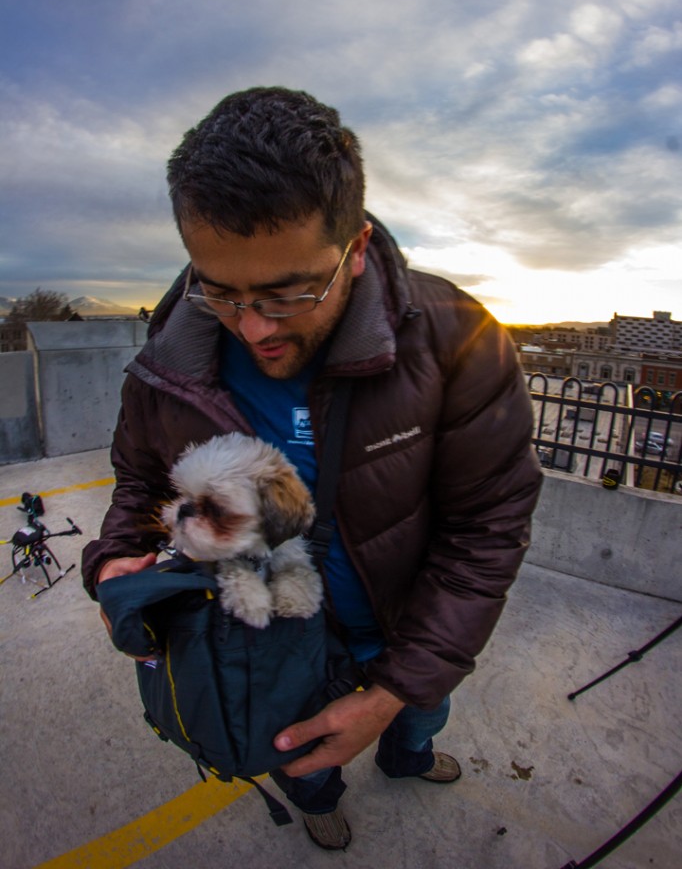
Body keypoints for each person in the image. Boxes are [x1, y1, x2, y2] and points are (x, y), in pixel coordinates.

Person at [82, 86, 542, 851]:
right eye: (219, 290)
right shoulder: (171, 360)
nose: (253, 326)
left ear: (356, 248)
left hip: (403, 633)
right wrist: (113, 560)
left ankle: (410, 755)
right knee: (302, 753)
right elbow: (139, 483)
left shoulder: (458, 341)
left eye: (290, 291)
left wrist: (397, 688)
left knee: (421, 712)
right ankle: (320, 802)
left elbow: (487, 531)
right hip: (271, 638)